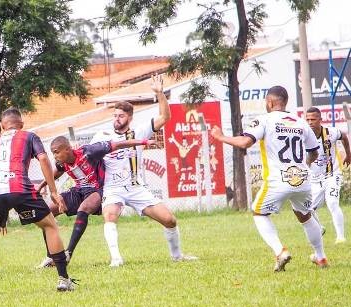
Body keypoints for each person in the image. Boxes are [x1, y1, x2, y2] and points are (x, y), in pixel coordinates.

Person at [211, 86, 328, 270]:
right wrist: (302, 167)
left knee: (258, 213)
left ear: (270, 102)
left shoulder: (264, 120)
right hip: (302, 179)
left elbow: (244, 143)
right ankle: (321, 257)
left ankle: (280, 251)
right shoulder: (300, 122)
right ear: (285, 102)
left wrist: (221, 137)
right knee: (305, 216)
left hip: (278, 180)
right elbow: (314, 152)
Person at [89, 75, 197, 267]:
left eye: (121, 116)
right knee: (110, 215)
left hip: (136, 187)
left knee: (169, 220)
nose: (117, 119)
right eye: (115, 115)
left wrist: (159, 93)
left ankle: (177, 256)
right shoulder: (102, 135)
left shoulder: (139, 131)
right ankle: (116, 258)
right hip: (113, 188)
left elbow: (165, 117)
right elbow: (88, 156)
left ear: (130, 117)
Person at [0, 107, 73, 295]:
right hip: (20, 187)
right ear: (21, 125)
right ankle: (63, 279)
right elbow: (44, 159)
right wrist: (53, 191)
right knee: (50, 226)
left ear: (1, 126)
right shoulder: (29, 136)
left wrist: (2, 214)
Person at [36, 135, 157, 268]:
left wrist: (144, 141)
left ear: (67, 149)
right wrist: (41, 185)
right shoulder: (61, 162)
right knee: (46, 213)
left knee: (83, 208)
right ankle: (50, 256)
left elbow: (117, 144)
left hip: (98, 190)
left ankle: (68, 253)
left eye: (56, 152)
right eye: (53, 152)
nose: (55, 156)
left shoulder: (89, 151)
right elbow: (57, 172)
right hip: (79, 190)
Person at [306, 106, 351, 244]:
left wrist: (348, 154)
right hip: (314, 179)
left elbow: (343, 135)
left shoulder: (330, 132)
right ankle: (320, 228)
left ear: (320, 119)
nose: (310, 122)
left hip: (332, 174)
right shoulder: (305, 135)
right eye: (307, 119)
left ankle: (341, 237)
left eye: (313, 119)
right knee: (308, 210)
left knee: (332, 202)